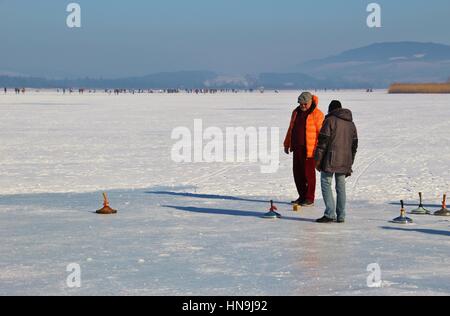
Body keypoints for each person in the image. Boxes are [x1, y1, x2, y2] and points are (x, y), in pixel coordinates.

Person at [314, 100, 358, 223]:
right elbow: (354, 145)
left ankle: (330, 213)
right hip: (345, 159)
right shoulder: (351, 124)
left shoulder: (329, 121)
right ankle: (341, 215)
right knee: (341, 186)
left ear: (330, 110)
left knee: (325, 183)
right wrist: (350, 162)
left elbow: (322, 142)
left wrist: (317, 161)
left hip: (330, 159)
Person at [284, 92, 324, 207]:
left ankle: (309, 198)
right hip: (297, 147)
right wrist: (287, 144)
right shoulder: (295, 112)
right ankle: (302, 196)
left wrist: (320, 149)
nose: (303, 106)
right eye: (301, 104)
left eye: (305, 104)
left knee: (309, 175)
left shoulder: (317, 114)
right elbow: (290, 129)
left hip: (310, 150)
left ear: (311, 101)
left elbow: (321, 134)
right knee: (298, 173)